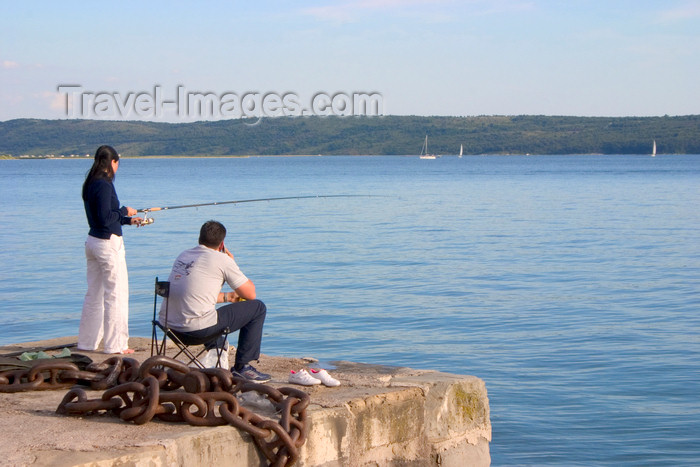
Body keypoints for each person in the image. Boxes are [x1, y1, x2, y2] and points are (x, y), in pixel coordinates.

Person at [160, 220, 270, 382]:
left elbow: (192, 295)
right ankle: (243, 367)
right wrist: (231, 262)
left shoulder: (184, 255)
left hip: (170, 328)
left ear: (200, 238)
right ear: (222, 244)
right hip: (195, 331)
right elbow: (250, 294)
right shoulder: (222, 260)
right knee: (258, 308)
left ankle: (216, 353)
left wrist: (227, 297)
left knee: (208, 313)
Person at [79, 145, 143, 354]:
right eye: (117, 164)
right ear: (113, 162)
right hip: (108, 245)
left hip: (93, 241)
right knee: (116, 294)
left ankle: (87, 342)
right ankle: (116, 345)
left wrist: (127, 220)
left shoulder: (90, 183)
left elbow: (102, 217)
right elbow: (107, 218)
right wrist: (124, 210)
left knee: (94, 294)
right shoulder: (105, 185)